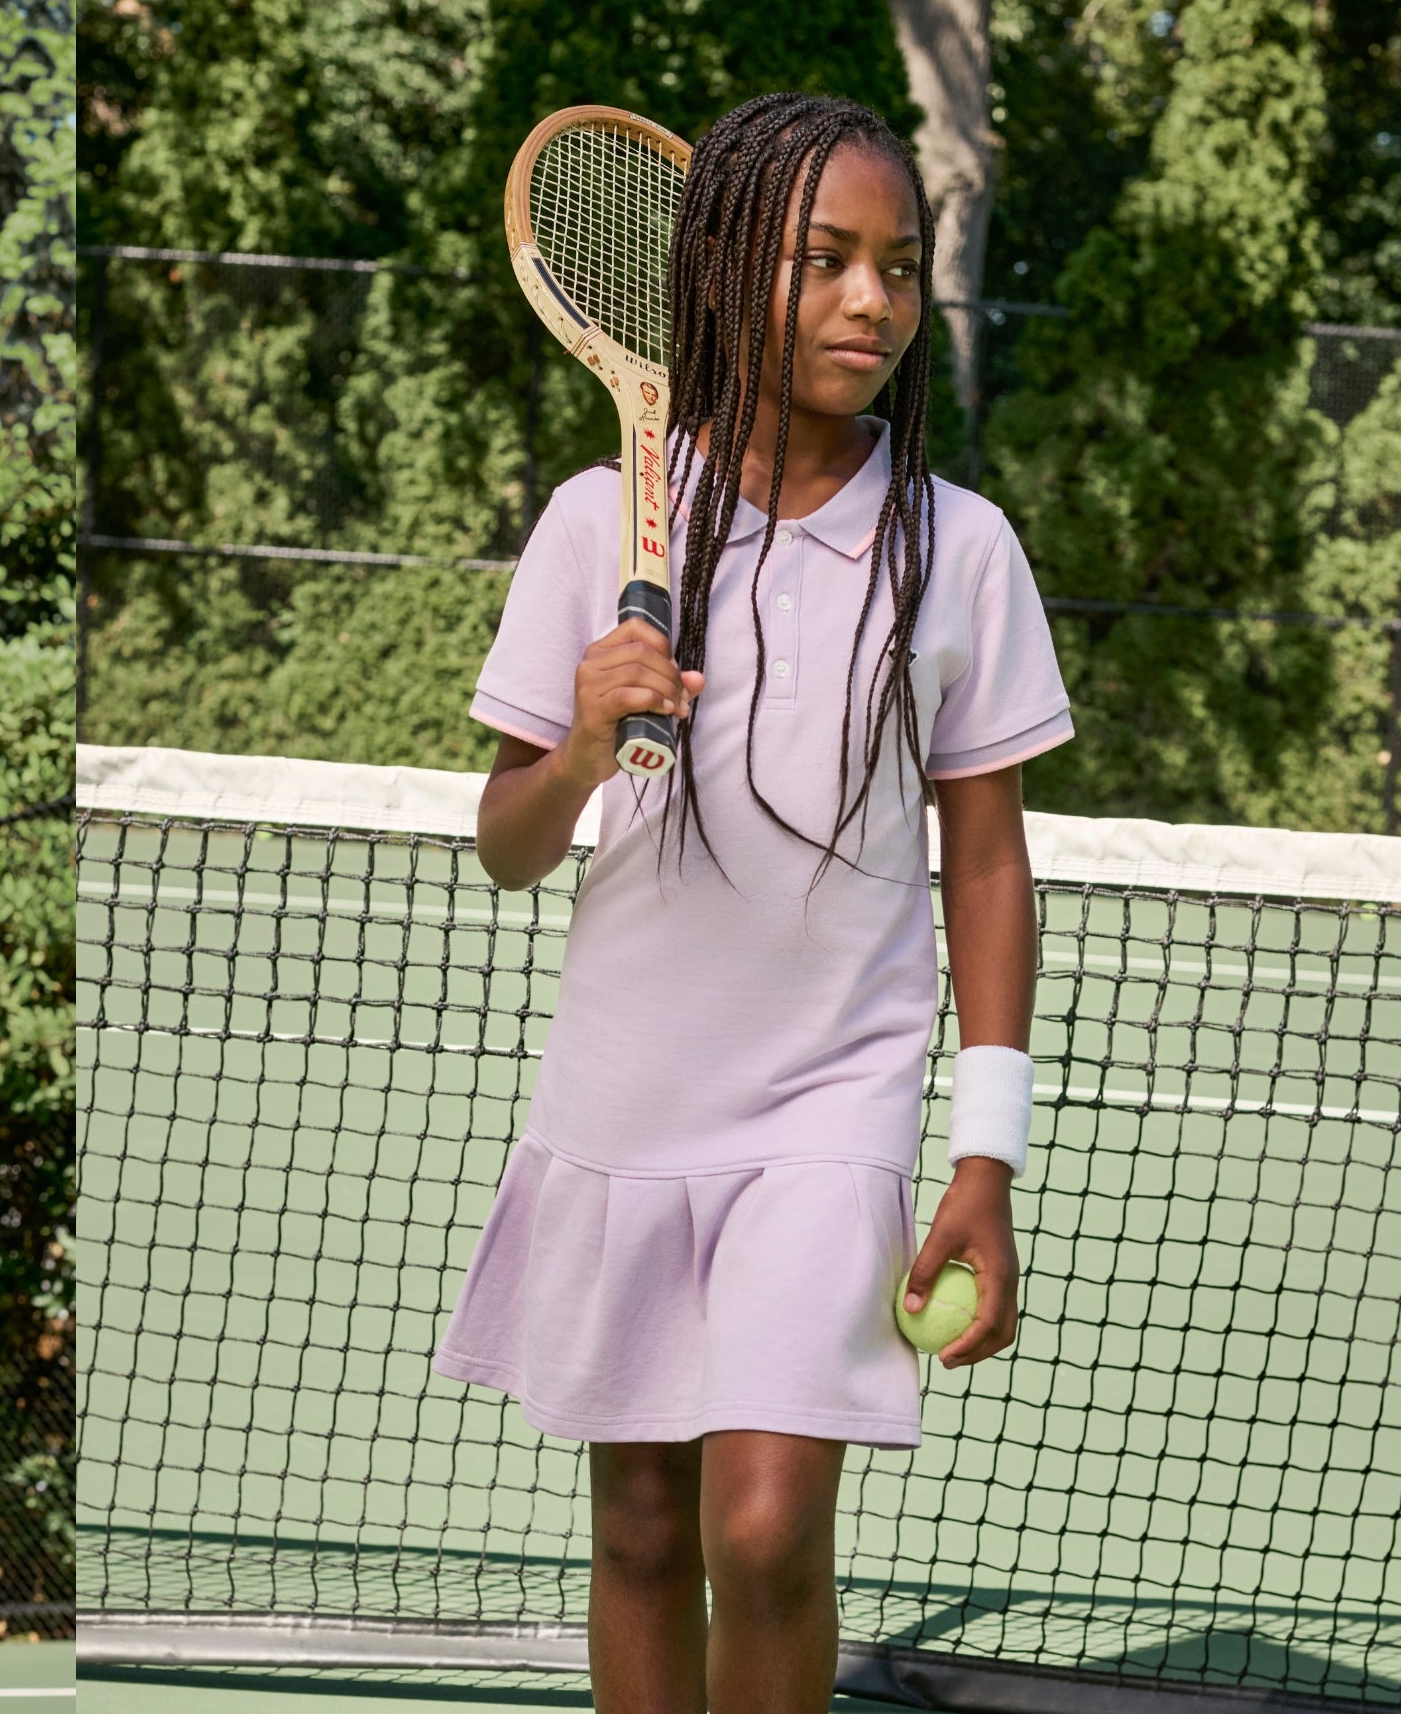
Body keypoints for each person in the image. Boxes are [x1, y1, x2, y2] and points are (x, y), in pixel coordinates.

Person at [433, 92, 1072, 1714]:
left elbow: (986, 862)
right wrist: (583, 739)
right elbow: (510, 844)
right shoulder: (599, 522)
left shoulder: (960, 549)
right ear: (720, 273)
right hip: (625, 1096)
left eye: (901, 267)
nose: (876, 300)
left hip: (829, 1105)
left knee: (769, 1524)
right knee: (643, 1533)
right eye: (829, 260)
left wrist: (982, 1156)